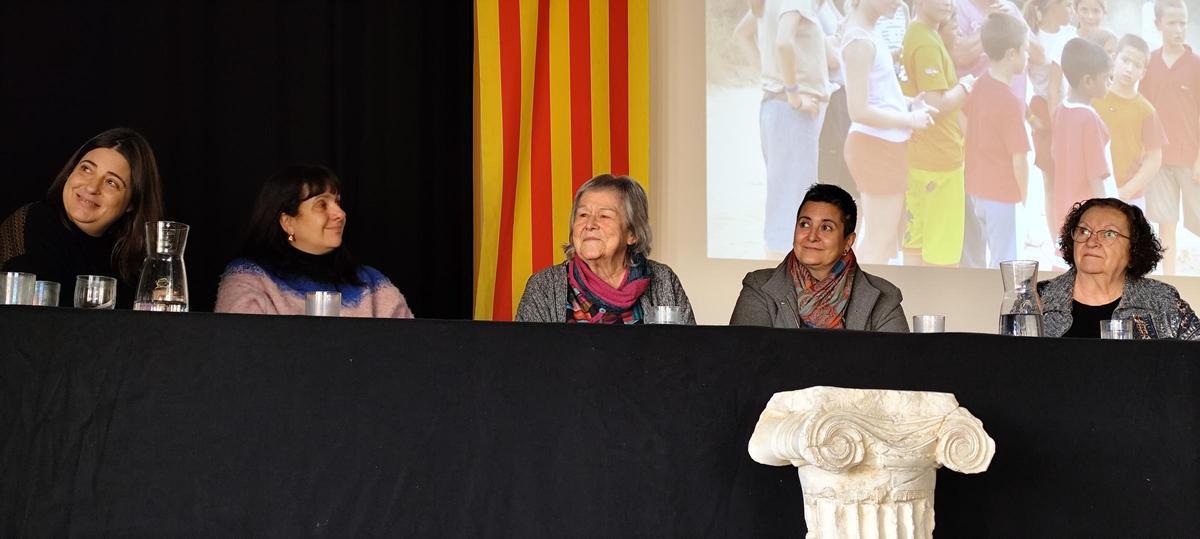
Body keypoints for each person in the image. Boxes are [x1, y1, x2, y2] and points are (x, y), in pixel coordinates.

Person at [214, 164, 413, 317]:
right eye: (322, 205)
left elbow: (409, 348)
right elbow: (240, 349)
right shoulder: (250, 279)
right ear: (288, 222)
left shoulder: (372, 284)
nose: (340, 214)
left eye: (338, 203)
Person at [0, 128, 164, 307]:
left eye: (111, 182)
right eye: (86, 169)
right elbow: (24, 316)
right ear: (70, 172)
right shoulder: (33, 223)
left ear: (132, 203)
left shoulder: (132, 258)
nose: (92, 187)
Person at [515, 174, 695, 324]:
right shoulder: (544, 287)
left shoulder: (663, 280)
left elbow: (688, 351)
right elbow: (526, 354)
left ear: (632, 233)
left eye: (604, 216)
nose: (590, 224)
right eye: (583, 215)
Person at [730, 184, 908, 330]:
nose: (812, 236)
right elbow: (745, 357)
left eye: (826, 228)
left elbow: (895, 362)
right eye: (805, 224)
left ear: (848, 241)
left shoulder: (884, 298)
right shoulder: (759, 288)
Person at [840, 0, 937, 265]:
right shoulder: (859, 41)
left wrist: (909, 105)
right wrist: (909, 119)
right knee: (877, 243)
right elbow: (858, 110)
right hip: (875, 147)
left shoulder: (868, 32)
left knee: (882, 244)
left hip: (884, 146)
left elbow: (878, 98)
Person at [734, 0, 832, 255]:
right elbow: (783, 42)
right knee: (794, 204)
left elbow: (742, 34)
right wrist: (793, 93)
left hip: (781, 109)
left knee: (785, 202)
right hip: (792, 112)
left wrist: (772, 76)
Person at [1039, 198, 1200, 339]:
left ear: (1134, 249)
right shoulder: (1037, 299)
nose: (1091, 242)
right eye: (1084, 231)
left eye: (1109, 234)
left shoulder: (1163, 301)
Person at [901, 0, 974, 266]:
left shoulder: (917, 33)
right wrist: (965, 87)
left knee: (915, 246)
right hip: (940, 161)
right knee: (943, 260)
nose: (947, 3)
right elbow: (935, 105)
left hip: (919, 155)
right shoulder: (926, 43)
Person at [962, 12, 1032, 268]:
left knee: (986, 257)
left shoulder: (980, 84)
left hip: (976, 188)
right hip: (1002, 193)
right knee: (1004, 262)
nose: (1027, 55)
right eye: (1025, 49)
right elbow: (1019, 159)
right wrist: (1024, 197)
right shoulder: (1010, 101)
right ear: (1012, 54)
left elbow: (962, 116)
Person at [1139, 0, 1200, 276]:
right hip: (1160, 159)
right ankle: (1171, 278)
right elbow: (1142, 109)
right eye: (1172, 23)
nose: (1178, 29)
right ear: (1158, 24)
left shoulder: (1196, 64)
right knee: (1166, 224)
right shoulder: (1149, 63)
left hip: (1191, 158)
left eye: (1182, 23)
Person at [1093, 35, 1167, 210]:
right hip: (1093, 189)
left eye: (1137, 65)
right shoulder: (1094, 99)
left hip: (1129, 198)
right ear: (1113, 59)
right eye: (1125, 60)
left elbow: (1154, 158)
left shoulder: (1146, 110)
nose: (1129, 68)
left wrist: (1126, 191)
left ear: (1143, 73)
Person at [1025, 0, 1077, 241]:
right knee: (1050, 181)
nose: (1071, 10)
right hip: (1042, 109)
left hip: (1066, 109)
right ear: (1050, 7)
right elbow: (1019, 84)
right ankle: (1056, 238)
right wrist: (1030, 117)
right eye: (1066, 5)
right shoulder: (1031, 36)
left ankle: (1070, 233)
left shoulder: (1069, 34)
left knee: (1069, 177)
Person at [1050, 38, 1111, 236]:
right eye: (1105, 78)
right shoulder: (1089, 118)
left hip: (1065, 207)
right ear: (1088, 81)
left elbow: (1054, 154)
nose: (1109, 83)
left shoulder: (1060, 110)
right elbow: (1095, 175)